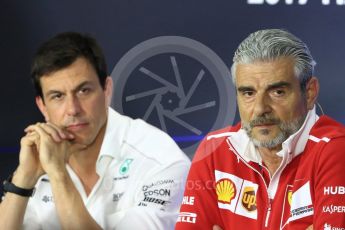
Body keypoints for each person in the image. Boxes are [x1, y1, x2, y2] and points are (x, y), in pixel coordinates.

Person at [0, 32, 190, 229]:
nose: (73, 109)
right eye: (57, 96)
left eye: (84, 91)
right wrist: (23, 179)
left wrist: (58, 175)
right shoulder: (37, 159)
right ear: (42, 107)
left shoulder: (160, 159)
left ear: (106, 90)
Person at [175, 29, 345, 230]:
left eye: (278, 92)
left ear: (309, 93)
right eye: (248, 93)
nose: (260, 109)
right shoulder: (214, 150)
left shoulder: (335, 150)